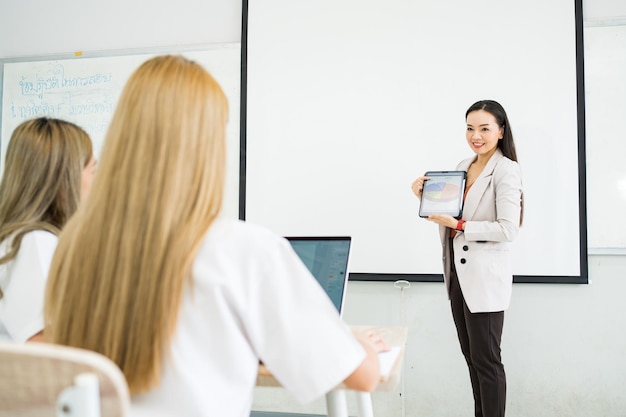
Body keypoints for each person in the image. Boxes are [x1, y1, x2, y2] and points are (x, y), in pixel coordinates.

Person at [44, 55, 387, 417]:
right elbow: (363, 377)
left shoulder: (73, 245)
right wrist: (357, 344)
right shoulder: (243, 250)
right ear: (205, 146)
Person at [411, 100, 523, 417]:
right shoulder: (463, 165)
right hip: (458, 276)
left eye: (485, 128)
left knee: (487, 362)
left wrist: (459, 226)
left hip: (485, 279)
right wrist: (425, 194)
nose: (476, 135)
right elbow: (450, 212)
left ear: (501, 131)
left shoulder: (506, 170)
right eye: (470, 128)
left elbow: (508, 229)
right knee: (472, 359)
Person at [0, 117, 95, 342]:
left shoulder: (19, 241)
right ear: (65, 180)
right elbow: (44, 350)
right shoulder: (36, 243)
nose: (96, 180)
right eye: (92, 169)